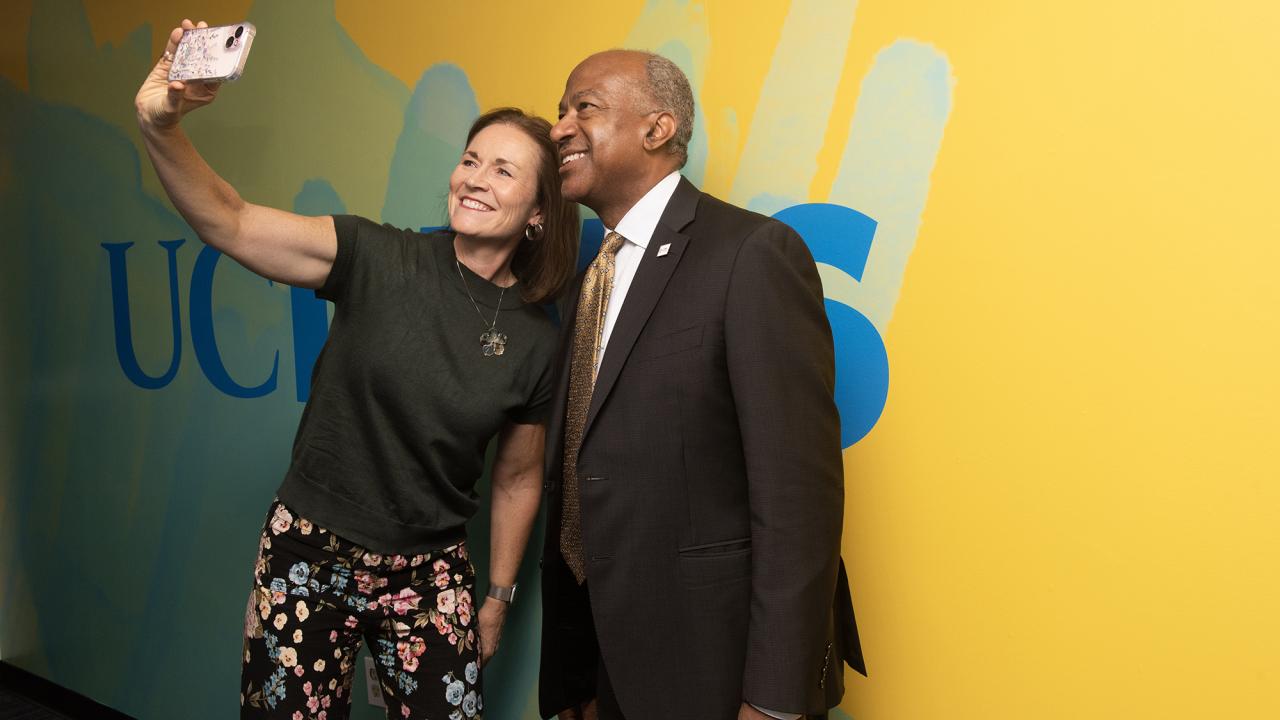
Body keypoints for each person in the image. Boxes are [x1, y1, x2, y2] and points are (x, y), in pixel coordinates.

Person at [135, 19, 579, 719]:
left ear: (538, 213)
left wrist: (497, 596)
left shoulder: (536, 341)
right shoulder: (378, 256)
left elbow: (519, 477)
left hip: (431, 573)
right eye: (470, 159)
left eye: (503, 170)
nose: (473, 178)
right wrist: (161, 128)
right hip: (307, 552)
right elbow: (232, 222)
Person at [537, 50, 866, 720]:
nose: (559, 128)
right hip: (609, 669)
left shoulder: (752, 255)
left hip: (718, 673)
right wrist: (576, 674)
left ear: (657, 129)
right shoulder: (589, 282)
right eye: (561, 109)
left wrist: (775, 701)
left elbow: (798, 501)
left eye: (584, 108)